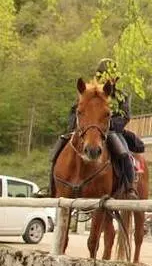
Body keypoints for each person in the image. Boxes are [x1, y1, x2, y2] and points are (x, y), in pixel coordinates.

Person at [51, 58, 145, 199]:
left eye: (110, 76)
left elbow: (125, 116)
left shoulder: (121, 96)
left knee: (124, 153)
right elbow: (74, 111)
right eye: (103, 75)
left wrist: (107, 125)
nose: (107, 79)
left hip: (110, 130)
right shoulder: (87, 93)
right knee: (57, 148)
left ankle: (129, 188)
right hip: (85, 129)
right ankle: (52, 188)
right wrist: (74, 126)